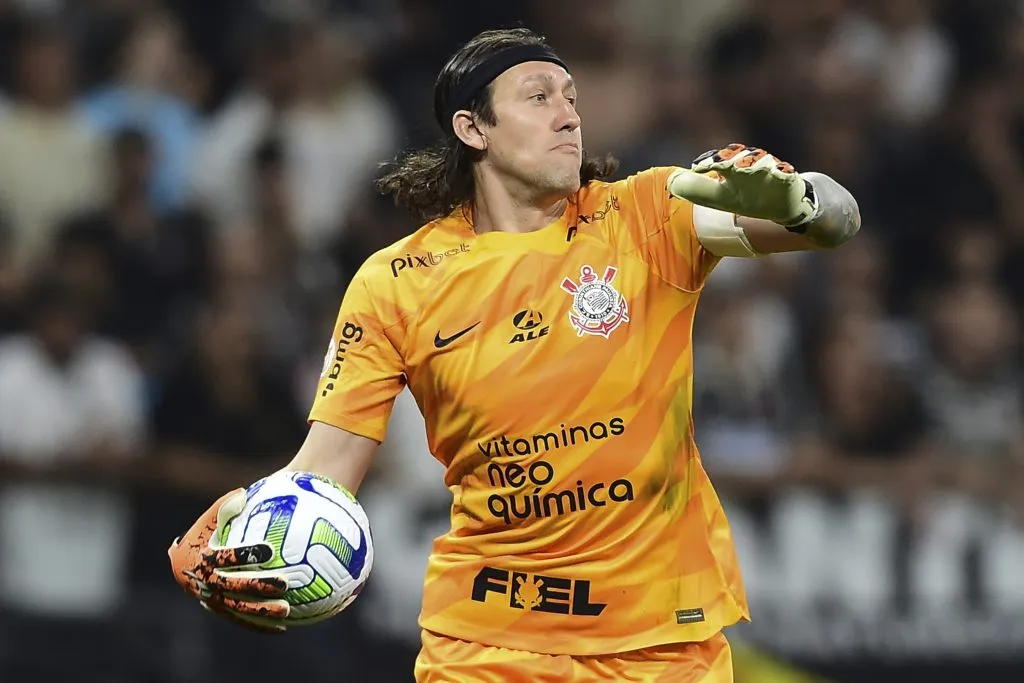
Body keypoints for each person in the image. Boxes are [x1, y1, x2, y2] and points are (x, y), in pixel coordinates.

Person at [168, 27, 860, 682]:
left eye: (571, 97)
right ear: (473, 129)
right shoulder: (397, 282)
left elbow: (837, 219)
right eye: (538, 96)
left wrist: (797, 197)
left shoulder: (646, 216)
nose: (567, 115)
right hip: (488, 644)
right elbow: (327, 472)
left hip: (659, 642)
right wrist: (243, 524)